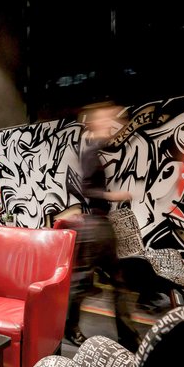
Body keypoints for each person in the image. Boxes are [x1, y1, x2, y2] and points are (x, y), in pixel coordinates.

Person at [64, 100, 142, 352]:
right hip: (95, 226)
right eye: (106, 118)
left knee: (117, 282)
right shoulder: (89, 153)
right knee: (82, 283)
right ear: (96, 122)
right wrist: (113, 195)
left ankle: (128, 336)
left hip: (101, 225)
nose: (111, 122)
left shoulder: (94, 150)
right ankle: (69, 328)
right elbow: (88, 190)